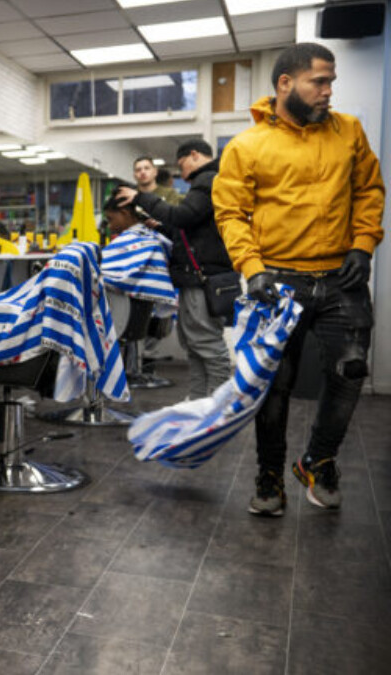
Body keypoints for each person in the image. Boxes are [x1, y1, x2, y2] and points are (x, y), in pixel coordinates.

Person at [214, 42, 384, 516]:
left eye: (332, 81)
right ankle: (269, 473)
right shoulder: (247, 146)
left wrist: (363, 245)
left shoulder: (348, 131)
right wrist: (253, 269)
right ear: (285, 83)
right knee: (273, 385)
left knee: (349, 372)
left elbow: (369, 189)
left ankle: (318, 460)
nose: (329, 91)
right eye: (320, 81)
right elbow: (230, 213)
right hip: (278, 283)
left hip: (341, 279)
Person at [118, 139, 232, 398]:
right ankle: (198, 402)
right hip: (197, 277)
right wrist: (159, 226)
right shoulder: (206, 182)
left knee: (207, 344)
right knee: (194, 345)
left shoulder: (208, 180)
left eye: (181, 166)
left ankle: (219, 405)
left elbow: (182, 217)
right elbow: (187, 231)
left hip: (202, 277)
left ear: (194, 155)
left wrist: (140, 198)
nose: (180, 174)